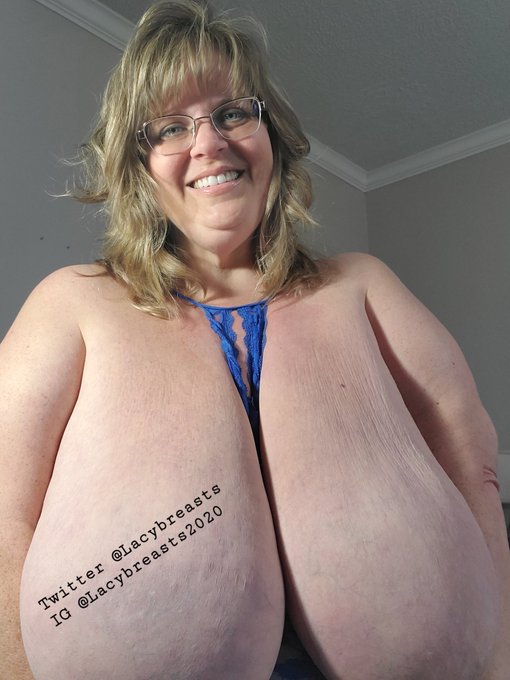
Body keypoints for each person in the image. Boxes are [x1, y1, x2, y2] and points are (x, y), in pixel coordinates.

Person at [1, 1, 508, 678]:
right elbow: (4, 518)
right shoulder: (72, 301)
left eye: (233, 113)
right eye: (170, 127)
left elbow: (473, 468)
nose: (209, 144)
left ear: (272, 135)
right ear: (138, 168)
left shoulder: (362, 284)